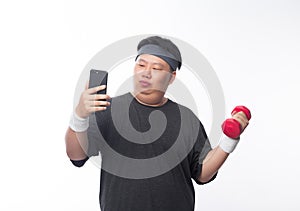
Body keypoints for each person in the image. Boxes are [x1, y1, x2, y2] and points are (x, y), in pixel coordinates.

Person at [65, 36, 249, 211]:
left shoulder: (187, 118)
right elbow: (76, 156)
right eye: (141, 65)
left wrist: (228, 140)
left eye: (157, 68)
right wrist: (79, 116)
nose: (146, 73)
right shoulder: (107, 109)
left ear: (171, 77)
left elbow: (202, 173)